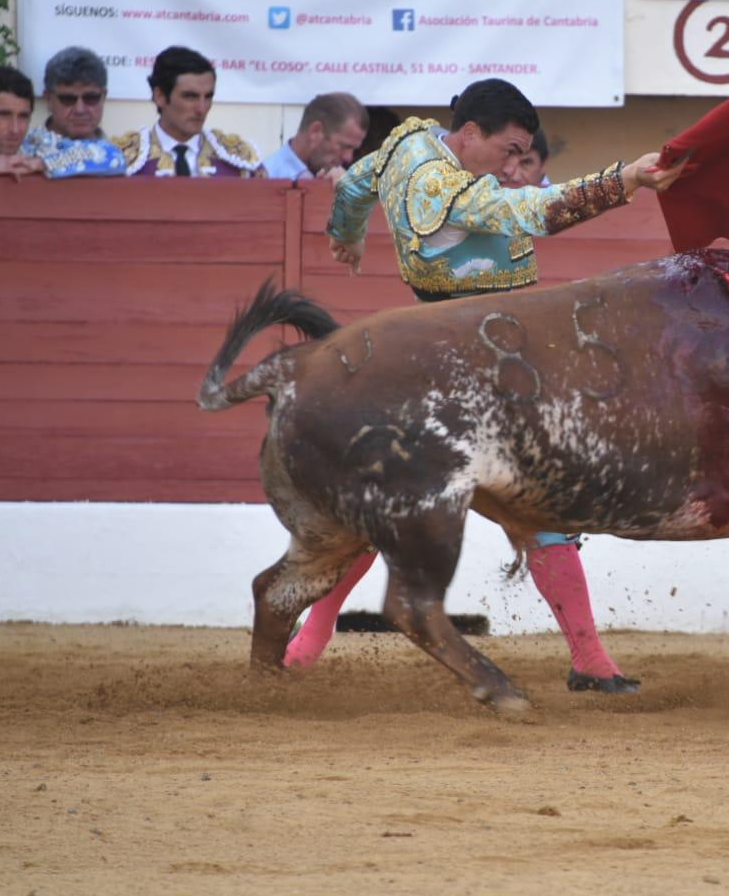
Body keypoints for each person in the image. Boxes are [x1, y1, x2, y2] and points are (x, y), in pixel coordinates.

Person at [286, 78, 687, 693]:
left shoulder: (409, 145)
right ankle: (589, 660)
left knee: (384, 507)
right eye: (509, 152)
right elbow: (536, 213)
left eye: (524, 157)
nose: (514, 168)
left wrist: (346, 234)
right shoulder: (449, 191)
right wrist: (626, 178)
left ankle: (304, 649)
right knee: (536, 501)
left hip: (436, 356)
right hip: (484, 366)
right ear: (470, 134)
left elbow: (357, 182)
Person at [113, 46, 262, 177]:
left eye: (208, 97)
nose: (201, 109)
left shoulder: (240, 161)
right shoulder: (118, 160)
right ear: (160, 97)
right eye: (190, 97)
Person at [260, 92, 368, 182]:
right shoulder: (264, 179)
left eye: (353, 149)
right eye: (344, 146)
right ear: (315, 131)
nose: (348, 157)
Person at [41, 46, 112, 140]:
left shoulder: (119, 148)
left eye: (90, 98)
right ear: (49, 99)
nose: (80, 110)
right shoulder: (23, 147)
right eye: (68, 99)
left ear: (103, 97)